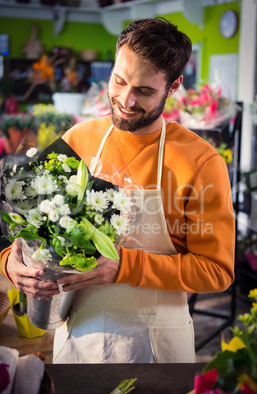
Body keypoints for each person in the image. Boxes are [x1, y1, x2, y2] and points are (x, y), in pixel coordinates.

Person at [0, 18, 235, 363]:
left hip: (156, 350)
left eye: (144, 90)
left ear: (173, 87)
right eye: (119, 80)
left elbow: (217, 270)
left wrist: (124, 265)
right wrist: (11, 264)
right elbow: (32, 231)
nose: (125, 100)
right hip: (77, 342)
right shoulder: (78, 139)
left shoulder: (200, 161)